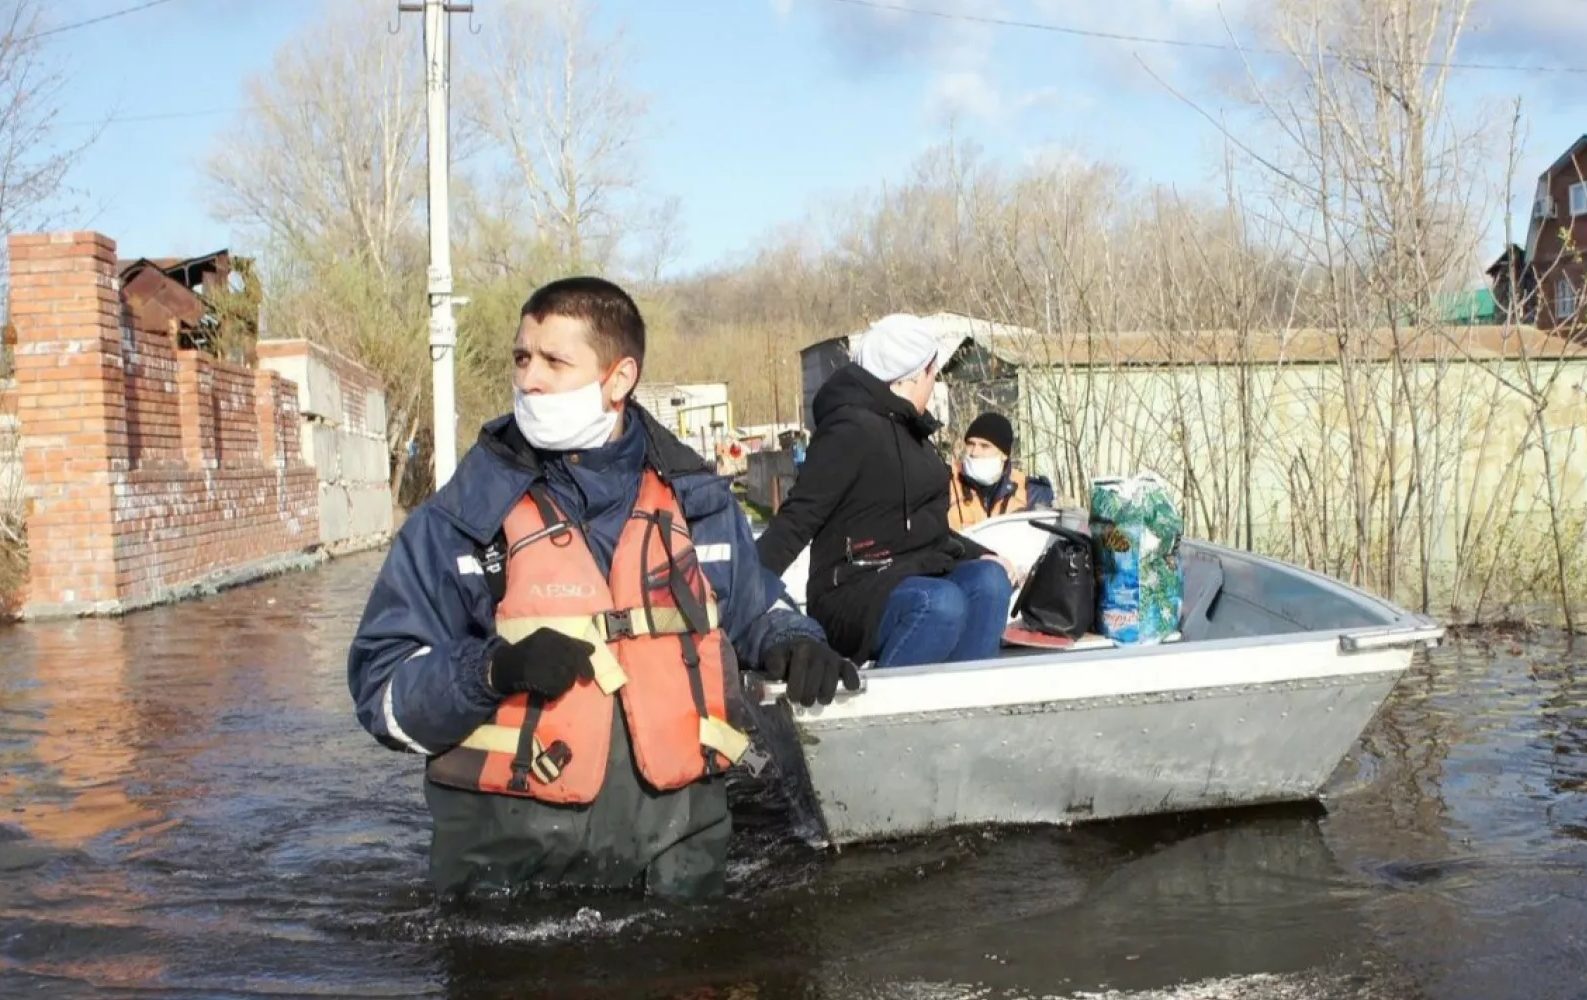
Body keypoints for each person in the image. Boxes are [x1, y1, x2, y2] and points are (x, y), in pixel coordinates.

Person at [346, 276, 858, 901]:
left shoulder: (696, 501)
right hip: (511, 882)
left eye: (555, 361)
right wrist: (488, 671)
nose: (529, 378)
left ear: (619, 380)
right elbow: (382, 693)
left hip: (677, 864)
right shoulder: (459, 522)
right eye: (522, 358)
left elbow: (755, 606)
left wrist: (794, 641)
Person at [755, 313, 1017, 669]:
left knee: (989, 580)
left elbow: (929, 530)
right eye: (933, 374)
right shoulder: (849, 429)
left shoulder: (914, 436)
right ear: (920, 372)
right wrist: (741, 593)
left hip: (909, 574)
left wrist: (983, 554)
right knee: (939, 603)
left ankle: (966, 707)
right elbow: (799, 517)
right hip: (849, 590)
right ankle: (894, 715)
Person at [947, 411, 1056, 529]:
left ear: (1004, 454)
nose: (974, 452)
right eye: (970, 444)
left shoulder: (1031, 493)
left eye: (985, 446)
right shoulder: (945, 482)